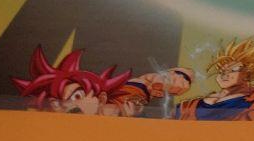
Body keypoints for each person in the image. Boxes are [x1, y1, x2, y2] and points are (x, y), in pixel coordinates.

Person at [12, 46, 191, 115]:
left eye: (76, 96)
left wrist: (176, 76)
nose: (63, 105)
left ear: (101, 98)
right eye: (55, 102)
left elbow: (142, 86)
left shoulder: (113, 106)